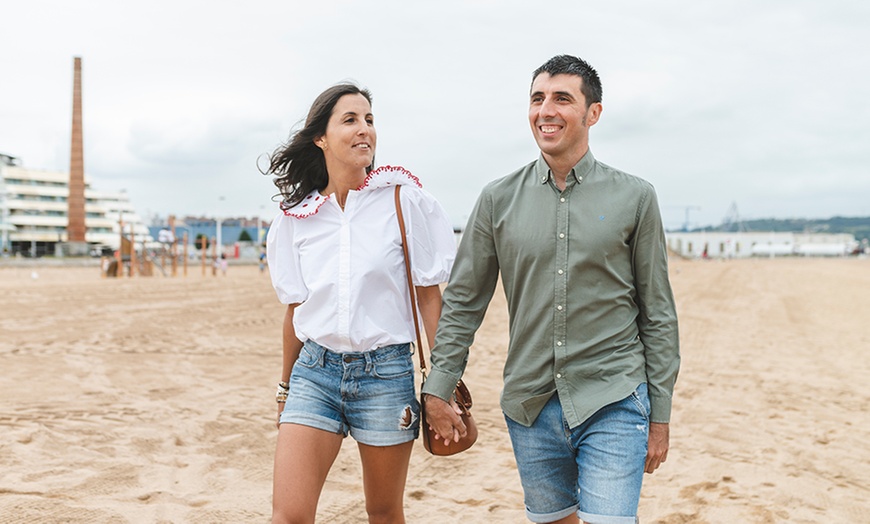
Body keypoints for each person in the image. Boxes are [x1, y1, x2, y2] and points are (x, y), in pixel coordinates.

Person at [422, 55, 680, 524]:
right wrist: (438, 388)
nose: (546, 110)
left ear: (593, 113)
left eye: (562, 98)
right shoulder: (497, 199)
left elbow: (657, 313)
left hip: (614, 397)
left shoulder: (636, 197)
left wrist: (659, 415)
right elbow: (463, 303)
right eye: (537, 98)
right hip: (531, 404)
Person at [264, 83, 456, 524]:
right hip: (314, 373)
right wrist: (285, 388)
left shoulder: (403, 200)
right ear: (321, 137)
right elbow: (295, 310)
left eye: (369, 119)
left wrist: (442, 383)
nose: (364, 129)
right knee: (288, 516)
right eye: (350, 120)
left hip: (386, 375)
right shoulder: (297, 217)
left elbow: (429, 297)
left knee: (383, 513)